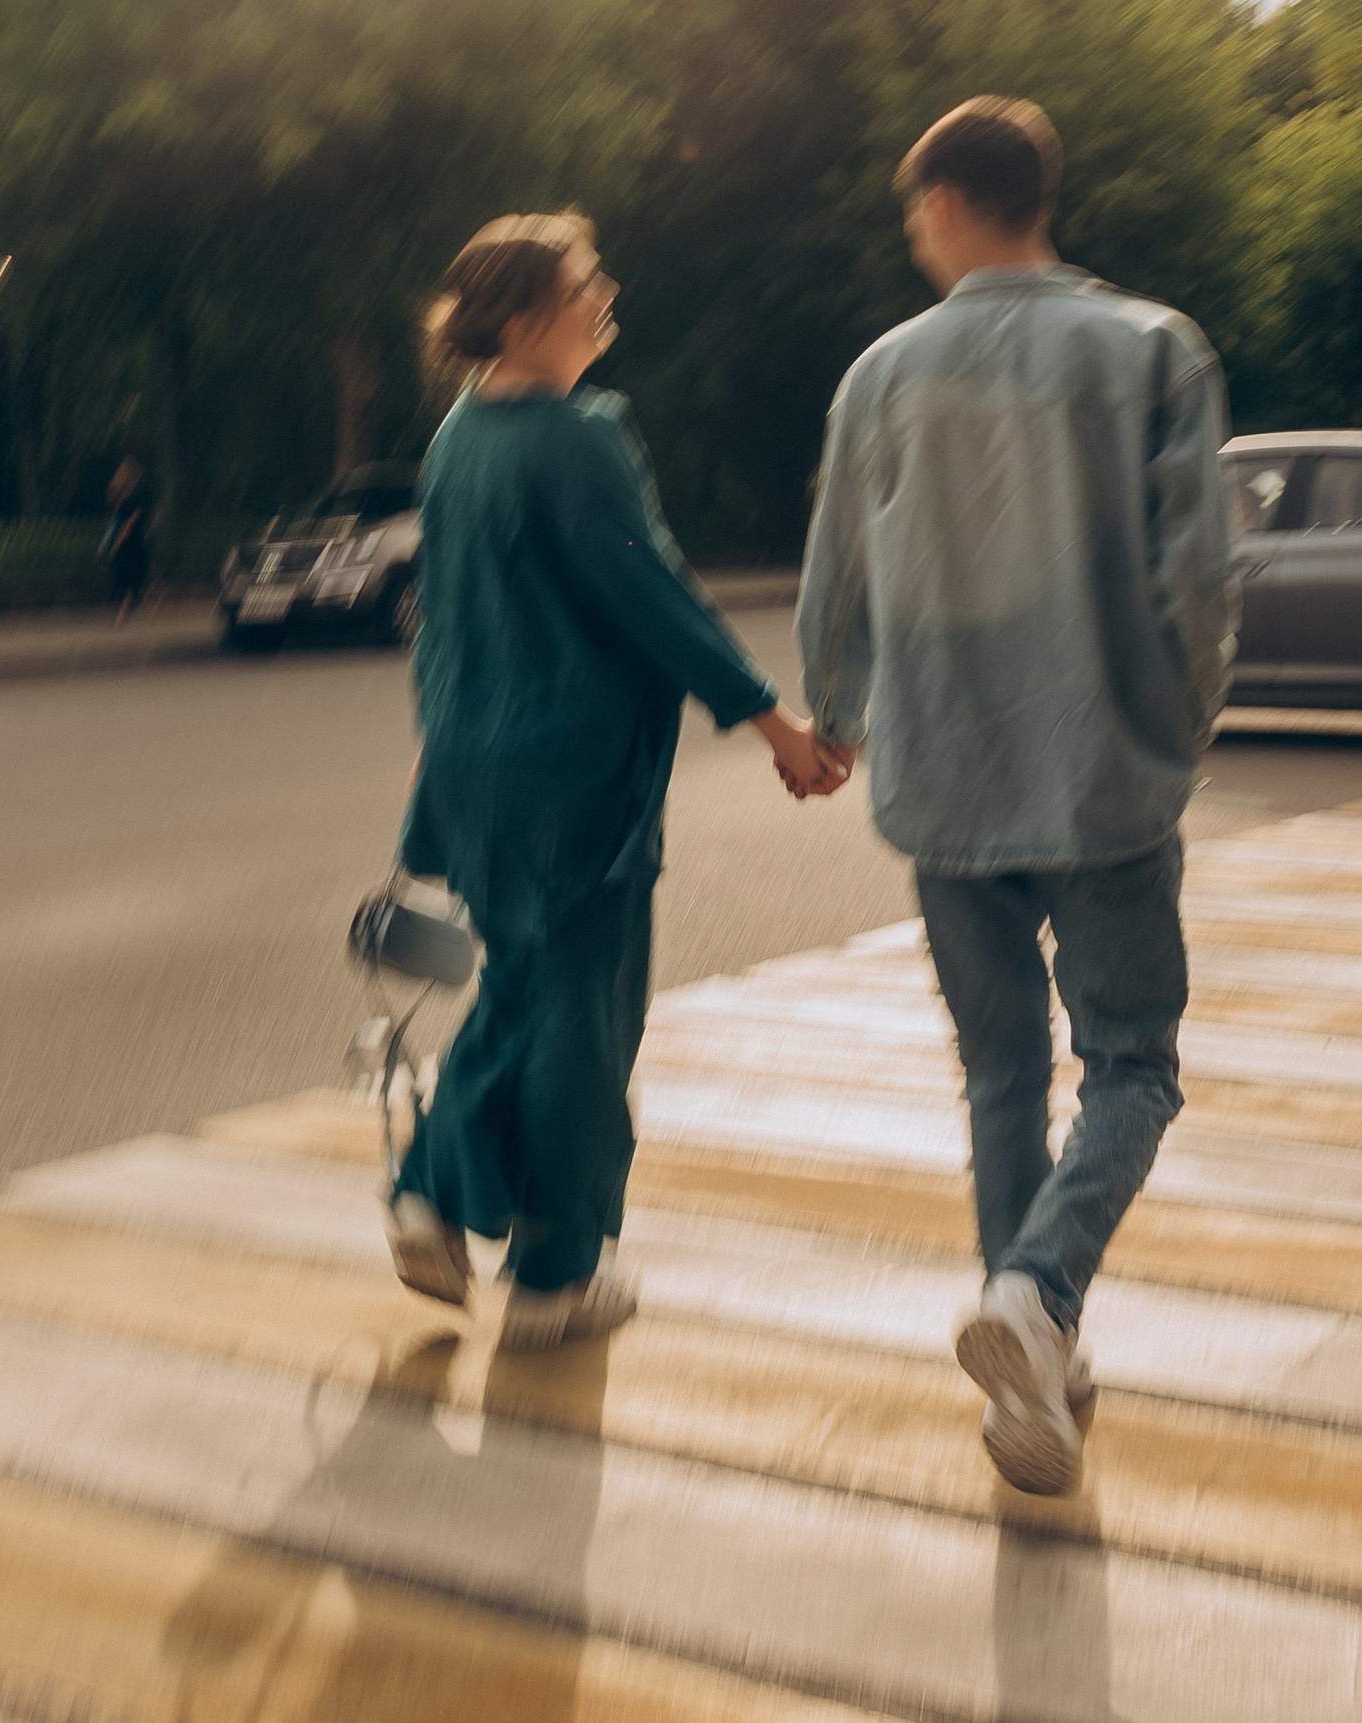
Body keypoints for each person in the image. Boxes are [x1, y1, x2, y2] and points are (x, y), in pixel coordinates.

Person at [795, 97, 1235, 1493]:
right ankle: (1039, 1296)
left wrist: (841, 710)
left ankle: (1034, 1357)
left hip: (942, 783)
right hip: (1104, 775)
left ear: (939, 205)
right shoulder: (1152, 347)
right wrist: (1178, 725)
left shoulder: (880, 373)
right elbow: (1203, 577)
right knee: (1134, 1063)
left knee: (999, 1071)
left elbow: (835, 574)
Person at [388, 212, 845, 1350]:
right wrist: (772, 722)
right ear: (530, 315)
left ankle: (432, 1191)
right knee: (585, 1018)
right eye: (587, 282)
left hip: (473, 762)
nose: (608, 295)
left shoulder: (456, 440)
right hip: (572, 774)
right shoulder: (581, 436)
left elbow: (443, 620)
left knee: (520, 985)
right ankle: (554, 1273)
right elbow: (656, 599)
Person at [104, 453, 154, 617]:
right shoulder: (126, 491)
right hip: (130, 537)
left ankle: (122, 614)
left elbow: (131, 520)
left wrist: (118, 541)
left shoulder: (138, 492)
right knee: (133, 576)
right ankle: (151, 603)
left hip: (132, 538)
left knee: (129, 576)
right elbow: (117, 515)